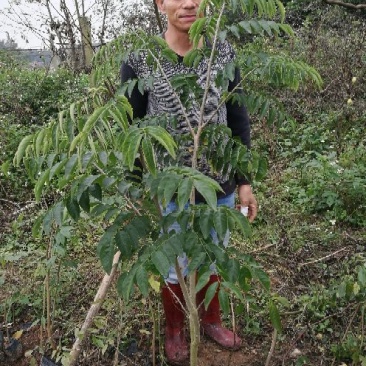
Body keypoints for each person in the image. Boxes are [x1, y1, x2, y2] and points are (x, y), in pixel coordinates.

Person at [121, 0, 257, 363]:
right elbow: (131, 131)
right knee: (173, 262)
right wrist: (133, 188)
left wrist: (244, 181)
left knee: (213, 256)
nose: (189, 3)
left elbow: (238, 119)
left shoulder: (222, 51)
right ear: (160, 3)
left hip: (220, 187)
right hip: (169, 191)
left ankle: (211, 319)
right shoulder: (141, 61)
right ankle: (176, 328)